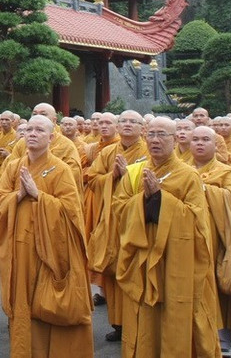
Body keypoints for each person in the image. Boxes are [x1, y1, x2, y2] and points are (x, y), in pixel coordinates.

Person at [112, 117, 220, 357]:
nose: (155, 140)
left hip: (175, 261)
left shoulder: (188, 175)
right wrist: (145, 201)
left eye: (162, 135)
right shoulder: (134, 171)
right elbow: (118, 208)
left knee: (175, 312)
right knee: (144, 316)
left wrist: (161, 200)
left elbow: (197, 221)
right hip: (142, 255)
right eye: (151, 135)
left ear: (175, 140)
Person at [0, 115, 93, 357]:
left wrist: (38, 196)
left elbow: (71, 212)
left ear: (51, 137)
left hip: (49, 250)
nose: (32, 134)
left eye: (39, 130)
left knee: (48, 302)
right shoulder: (14, 166)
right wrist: (17, 196)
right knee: (22, 305)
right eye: (29, 130)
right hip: (19, 248)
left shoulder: (61, 168)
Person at [190, 126, 231, 357]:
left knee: (219, 289)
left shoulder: (226, 172)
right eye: (195, 139)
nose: (199, 143)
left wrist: (203, 189)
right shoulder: (183, 170)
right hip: (190, 241)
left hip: (219, 240)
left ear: (216, 144)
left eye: (205, 139)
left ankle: (221, 337)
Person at [84, 110, 147, 342]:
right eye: (124, 121)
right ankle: (119, 323)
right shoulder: (109, 151)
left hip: (138, 219)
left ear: (142, 127)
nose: (128, 124)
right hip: (112, 218)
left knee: (136, 269)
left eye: (134, 121)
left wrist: (129, 175)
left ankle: (140, 322)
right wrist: (113, 176)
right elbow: (92, 178)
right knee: (115, 270)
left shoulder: (150, 150)